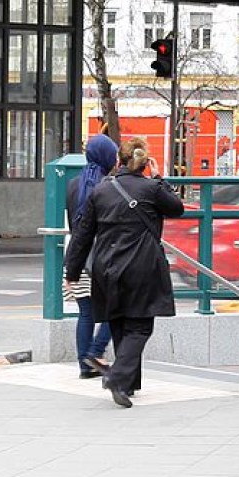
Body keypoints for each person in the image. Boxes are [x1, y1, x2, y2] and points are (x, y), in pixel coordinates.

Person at [65, 137, 184, 408]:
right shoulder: (151, 188)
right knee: (140, 326)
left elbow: (83, 235)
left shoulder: (101, 191)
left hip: (106, 266)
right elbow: (176, 208)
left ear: (119, 160)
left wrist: (72, 271)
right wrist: (160, 179)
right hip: (142, 266)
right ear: (144, 162)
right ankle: (119, 378)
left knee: (119, 323)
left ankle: (129, 384)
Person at [64, 134, 118, 379]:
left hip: (78, 255)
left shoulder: (74, 184)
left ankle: (84, 365)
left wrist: (71, 266)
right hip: (103, 257)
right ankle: (95, 352)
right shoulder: (109, 186)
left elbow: (74, 227)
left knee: (85, 312)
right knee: (116, 309)